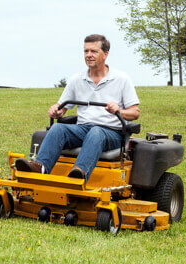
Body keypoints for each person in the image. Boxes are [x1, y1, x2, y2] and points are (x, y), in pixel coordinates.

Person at [15, 34, 141, 180]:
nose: (89, 55)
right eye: (86, 51)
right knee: (57, 128)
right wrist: (56, 111)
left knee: (96, 132)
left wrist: (119, 111)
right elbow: (62, 107)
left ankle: (79, 173)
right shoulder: (77, 79)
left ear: (105, 54)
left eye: (94, 51)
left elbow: (135, 112)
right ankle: (40, 167)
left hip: (111, 132)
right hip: (83, 129)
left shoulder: (121, 79)